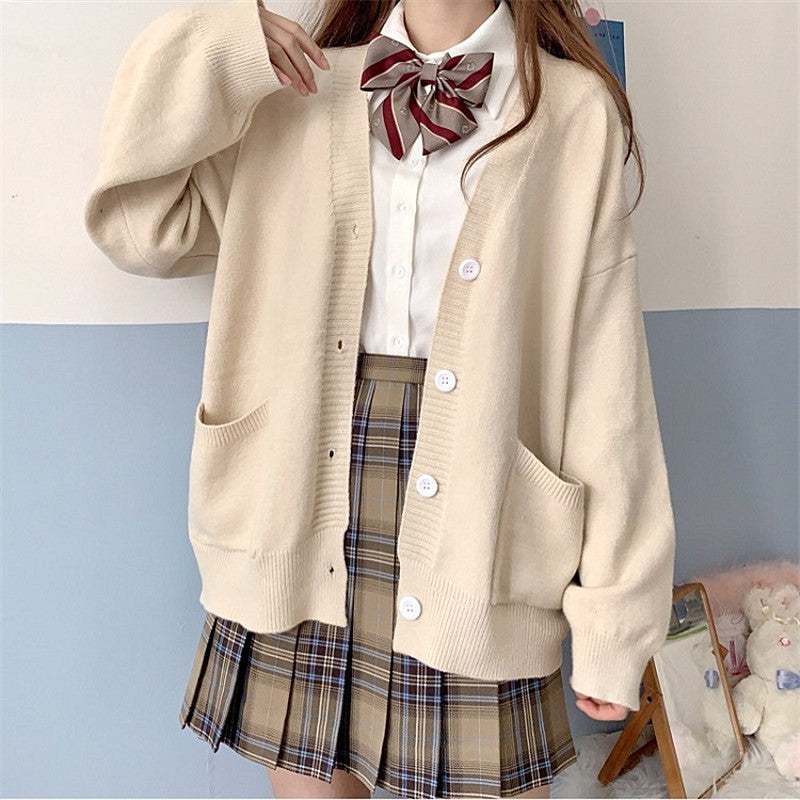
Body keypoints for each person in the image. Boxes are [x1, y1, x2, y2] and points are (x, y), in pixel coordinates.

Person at [83, 0, 677, 797]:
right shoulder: (289, 90)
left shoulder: (572, 113)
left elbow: (609, 383)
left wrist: (615, 619)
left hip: (480, 529)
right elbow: (137, 226)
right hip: (299, 512)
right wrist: (215, 52)